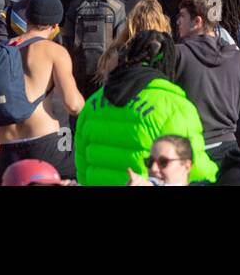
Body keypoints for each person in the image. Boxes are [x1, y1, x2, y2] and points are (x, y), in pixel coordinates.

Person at [72, 29, 219, 185]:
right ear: (168, 62)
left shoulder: (93, 103)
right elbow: (195, 169)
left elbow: (82, 166)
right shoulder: (174, 106)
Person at [0, 0, 84, 183]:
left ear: (27, 18)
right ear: (55, 26)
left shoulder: (1, 51)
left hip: (8, 148)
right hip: (45, 145)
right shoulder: (54, 51)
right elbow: (73, 104)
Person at [173, 0, 240, 163]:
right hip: (229, 151)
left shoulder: (177, 55)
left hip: (186, 152)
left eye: (182, 16)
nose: (177, 21)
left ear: (197, 22)